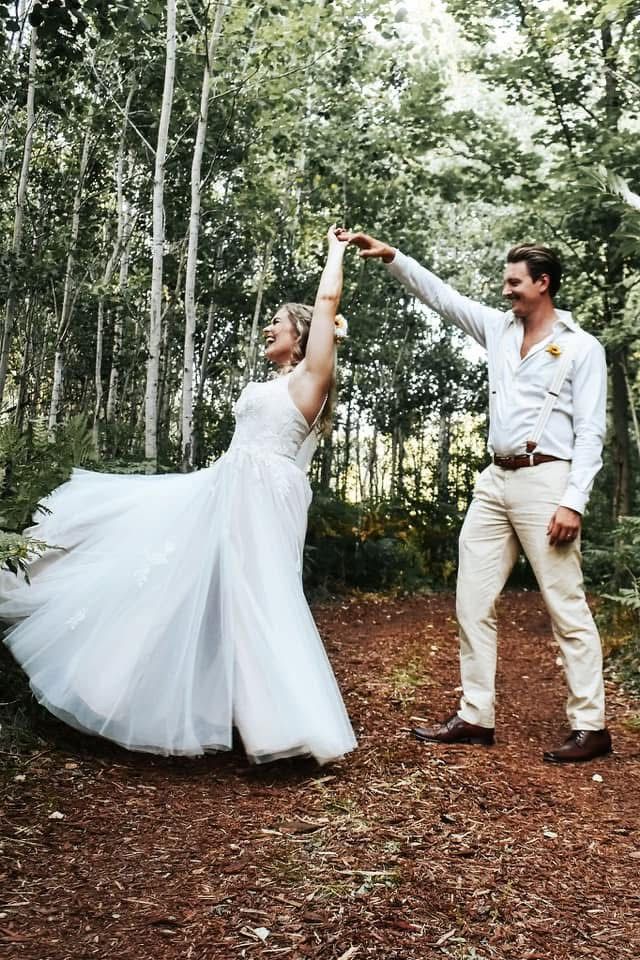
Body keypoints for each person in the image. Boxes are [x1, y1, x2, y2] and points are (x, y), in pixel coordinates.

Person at [0, 226, 357, 766]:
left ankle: (285, 728)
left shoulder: (311, 379)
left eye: (277, 324)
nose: (267, 328)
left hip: (267, 497)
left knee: (261, 596)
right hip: (227, 488)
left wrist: (335, 250)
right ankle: (142, 693)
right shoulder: (272, 382)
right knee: (188, 584)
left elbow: (328, 300)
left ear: (305, 336)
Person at [335, 227, 610, 764]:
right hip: (494, 483)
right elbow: (441, 296)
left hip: (547, 481)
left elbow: (591, 432)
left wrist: (573, 500)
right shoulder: (498, 330)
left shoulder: (581, 348)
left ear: (543, 284)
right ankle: (475, 715)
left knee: (565, 605)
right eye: (506, 282)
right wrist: (391, 256)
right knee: (471, 600)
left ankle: (591, 725)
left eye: (515, 282)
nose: (506, 291)